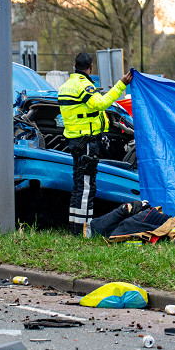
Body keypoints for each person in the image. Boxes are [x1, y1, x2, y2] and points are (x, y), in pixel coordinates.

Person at [58, 52, 134, 237]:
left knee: (78, 186)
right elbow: (101, 103)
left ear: (74, 65)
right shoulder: (83, 86)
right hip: (86, 143)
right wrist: (122, 84)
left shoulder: (65, 86)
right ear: (90, 67)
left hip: (75, 141)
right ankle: (83, 231)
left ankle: (75, 227)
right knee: (86, 188)